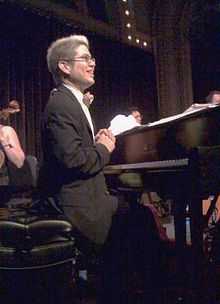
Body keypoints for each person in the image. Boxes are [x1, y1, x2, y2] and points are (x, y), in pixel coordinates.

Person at [38, 34, 162, 304]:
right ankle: (142, 290)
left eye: (92, 58)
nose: (92, 63)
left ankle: (126, 284)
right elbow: (73, 160)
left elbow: (75, 152)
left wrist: (95, 144)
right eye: (85, 58)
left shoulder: (71, 101)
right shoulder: (61, 104)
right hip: (77, 205)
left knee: (138, 213)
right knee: (141, 218)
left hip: (86, 196)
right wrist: (103, 148)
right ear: (64, 66)